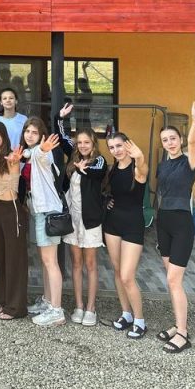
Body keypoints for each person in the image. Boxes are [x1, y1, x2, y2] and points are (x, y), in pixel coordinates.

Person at [156, 100, 195, 354]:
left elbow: (193, 142)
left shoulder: (188, 162)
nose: (169, 142)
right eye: (165, 140)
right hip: (164, 222)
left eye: (173, 138)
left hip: (182, 224)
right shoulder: (163, 165)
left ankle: (182, 334)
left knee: (174, 280)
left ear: (179, 140)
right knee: (171, 281)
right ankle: (178, 324)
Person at [102, 131, 148, 338]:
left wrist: (140, 157)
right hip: (112, 224)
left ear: (128, 145)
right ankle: (126, 314)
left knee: (127, 276)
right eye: (112, 147)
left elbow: (143, 171)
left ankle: (140, 321)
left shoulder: (137, 168)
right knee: (118, 271)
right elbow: (109, 192)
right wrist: (107, 202)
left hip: (133, 225)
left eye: (119, 146)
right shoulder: (112, 170)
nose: (116, 150)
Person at [23, 116, 67, 326]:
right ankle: (48, 301)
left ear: (42, 135)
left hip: (48, 212)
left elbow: (40, 155)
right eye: (27, 131)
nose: (30, 135)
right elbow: (28, 154)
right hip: (38, 211)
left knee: (51, 262)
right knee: (45, 260)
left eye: (34, 132)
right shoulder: (29, 153)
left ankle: (56, 310)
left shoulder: (44, 153)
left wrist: (43, 148)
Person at [64, 128, 107, 326]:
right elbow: (61, 137)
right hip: (73, 219)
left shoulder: (99, 161)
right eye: (79, 142)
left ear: (93, 144)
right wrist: (59, 117)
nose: (83, 146)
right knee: (76, 263)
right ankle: (79, 305)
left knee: (90, 264)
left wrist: (83, 169)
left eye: (86, 142)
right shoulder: (72, 161)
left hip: (90, 220)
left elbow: (98, 173)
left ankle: (91, 307)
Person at [0, 120, 27, 320]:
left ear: (4, 136)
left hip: (12, 210)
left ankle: (16, 308)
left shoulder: (11, 156)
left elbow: (16, 166)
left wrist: (16, 161)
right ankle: (5, 301)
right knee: (1, 259)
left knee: (14, 260)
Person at [0, 87, 27, 151]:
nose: (8, 100)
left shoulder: (24, 119)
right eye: (4, 98)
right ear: (1, 102)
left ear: (16, 101)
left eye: (11, 98)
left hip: (16, 155)